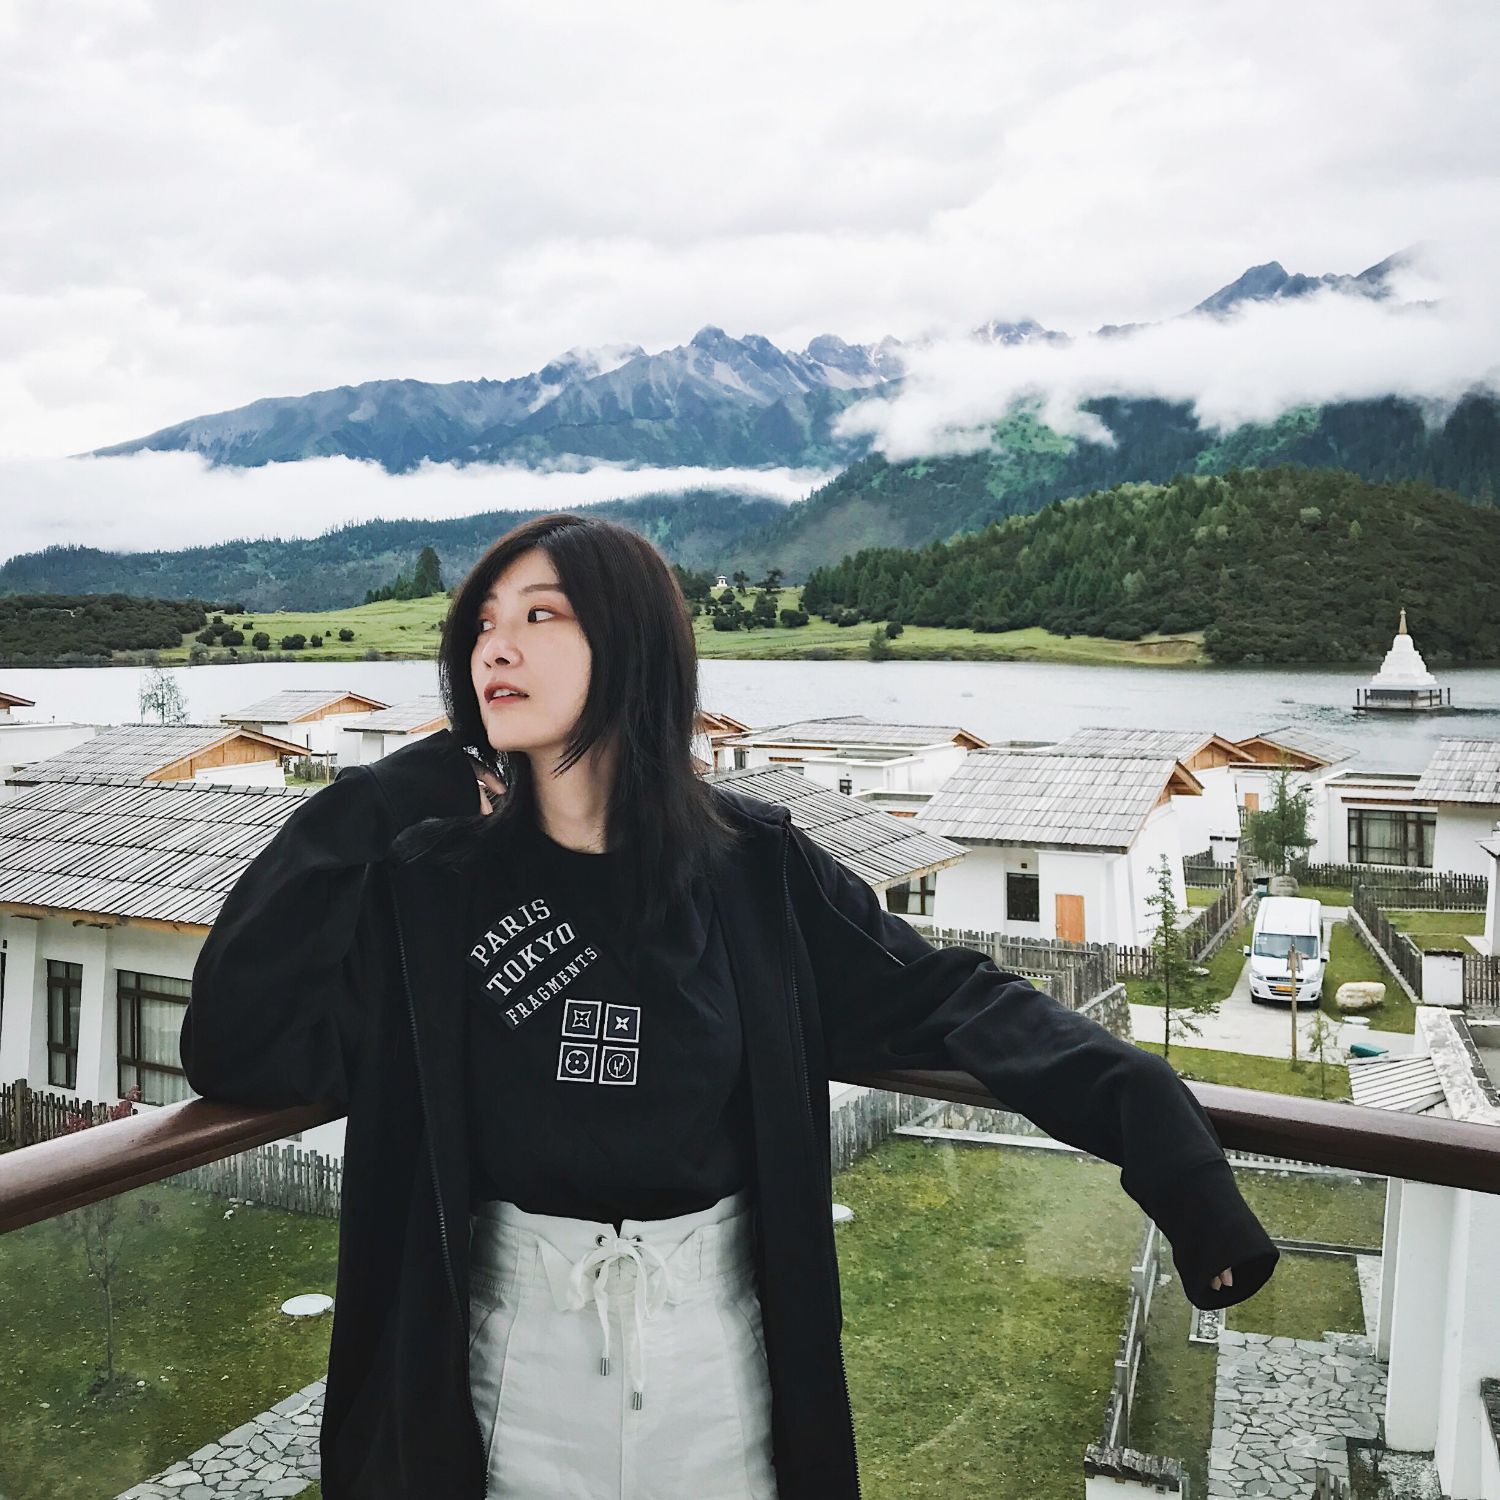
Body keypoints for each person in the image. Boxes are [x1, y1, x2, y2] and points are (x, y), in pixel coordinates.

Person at [181, 512, 1278, 1500]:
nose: (494, 649)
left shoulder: (752, 869)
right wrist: (377, 798)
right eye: (482, 626)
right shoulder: (430, 884)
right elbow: (236, 1042)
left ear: (633, 648)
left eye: (540, 615)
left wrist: (1160, 1135)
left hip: (720, 1371)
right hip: (498, 1373)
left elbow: (947, 996)